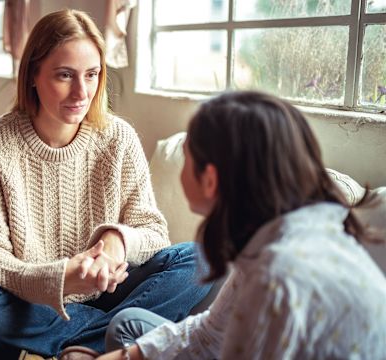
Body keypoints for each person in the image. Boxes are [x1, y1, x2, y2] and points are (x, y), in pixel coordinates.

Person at [0, 8, 212, 360]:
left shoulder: (118, 137)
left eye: (92, 74)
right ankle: (115, 338)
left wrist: (116, 242)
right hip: (36, 300)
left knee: (200, 257)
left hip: (114, 286)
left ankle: (84, 344)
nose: (81, 91)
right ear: (33, 76)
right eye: (64, 75)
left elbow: (152, 229)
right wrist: (63, 278)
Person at [97, 91, 386, 359]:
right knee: (128, 326)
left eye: (187, 154)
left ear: (210, 180)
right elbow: (211, 333)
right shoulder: (280, 234)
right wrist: (126, 356)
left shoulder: (277, 277)